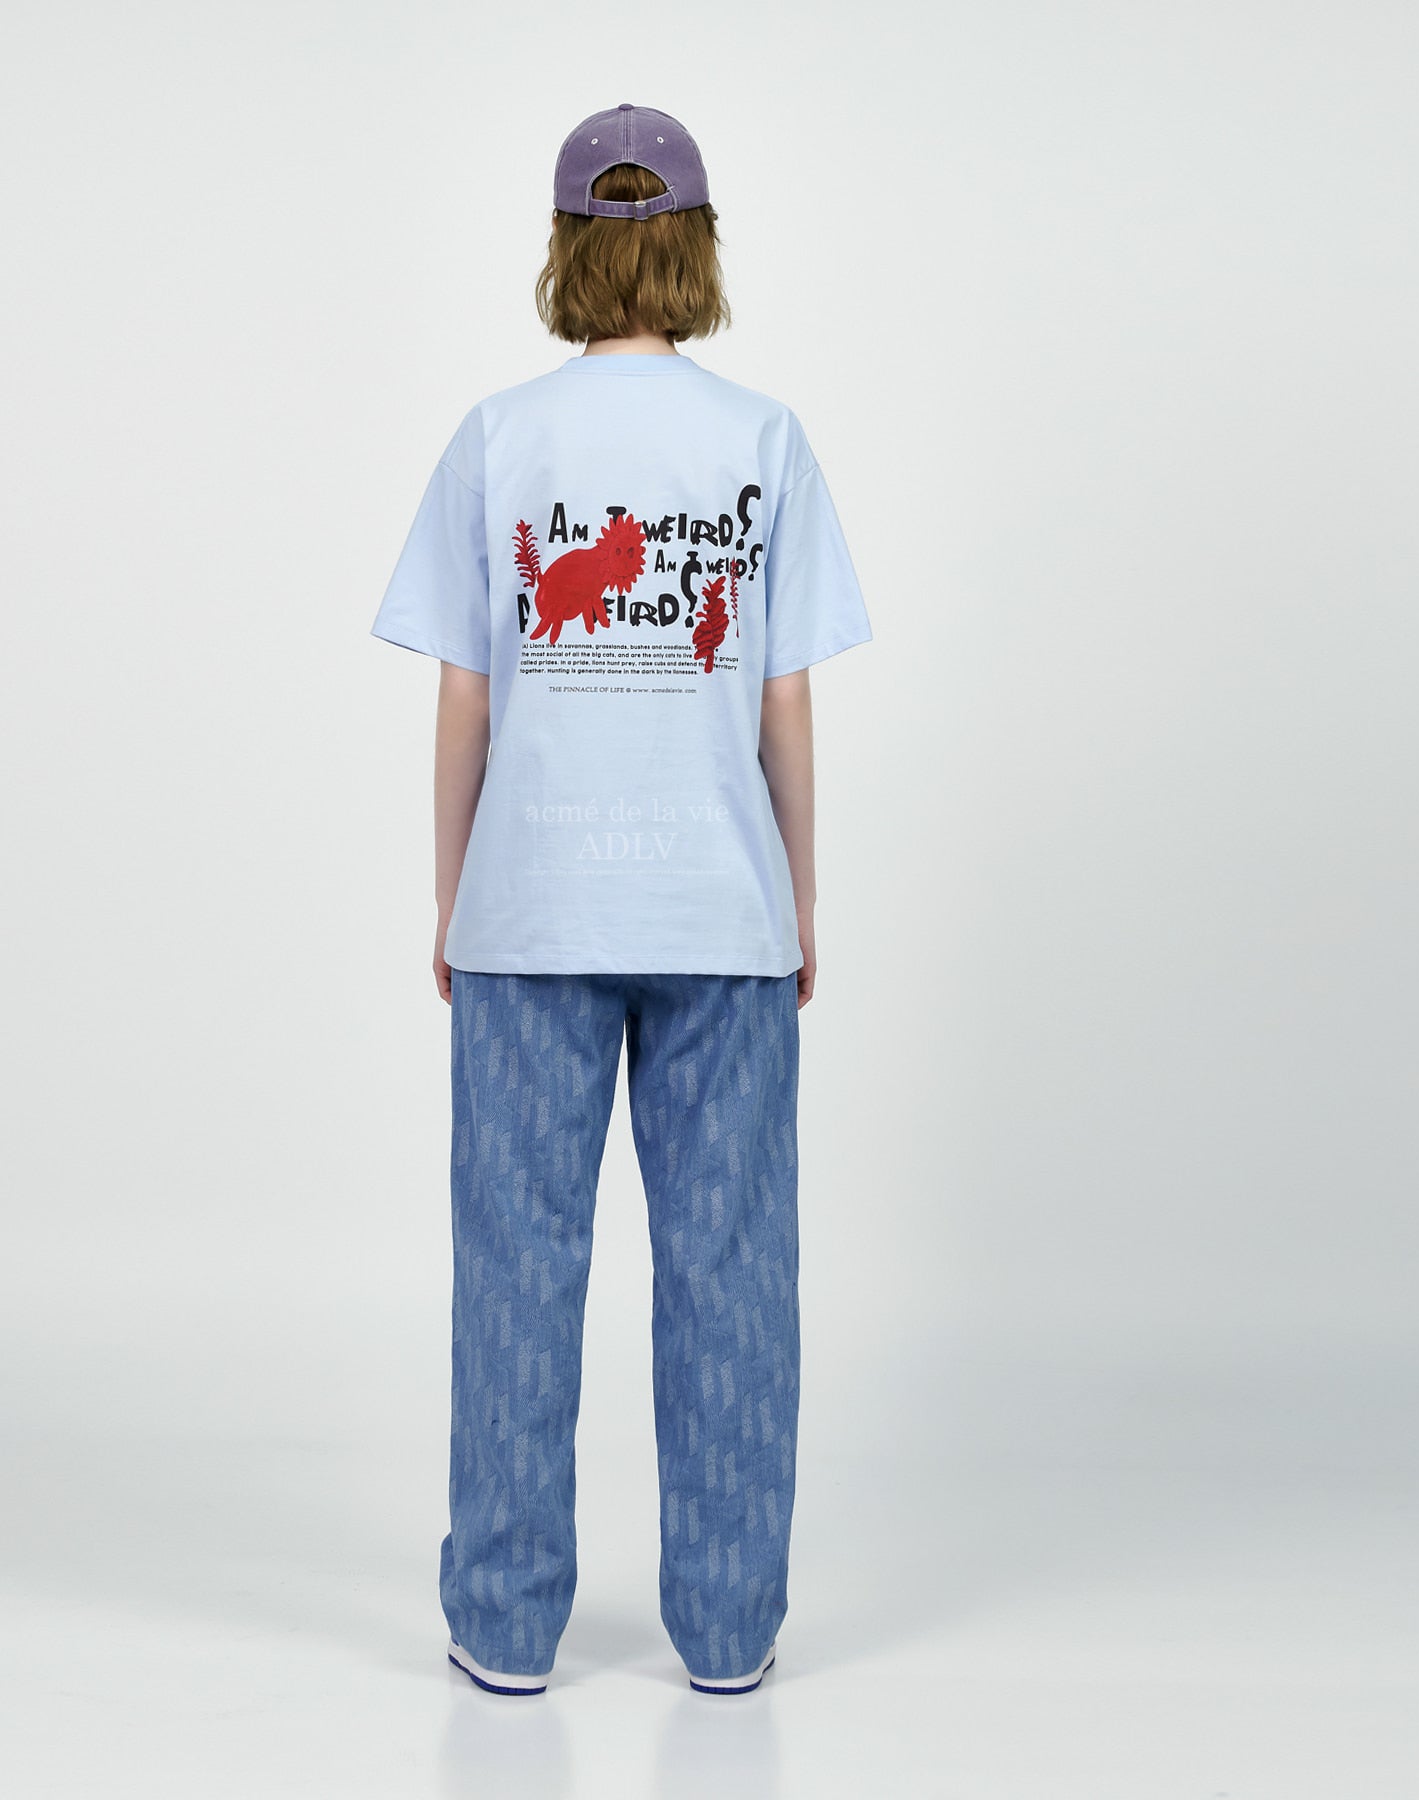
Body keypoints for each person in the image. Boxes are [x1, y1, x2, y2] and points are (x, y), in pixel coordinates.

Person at [369, 102, 872, 1698]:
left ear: (565, 249)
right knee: (733, 1268)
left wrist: (453, 896)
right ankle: (728, 1630)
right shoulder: (762, 439)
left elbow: (466, 697)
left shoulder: (499, 438)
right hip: (723, 912)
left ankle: (506, 1625)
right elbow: (784, 702)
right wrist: (799, 896)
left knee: (517, 1262)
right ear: (696, 247)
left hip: (532, 913)